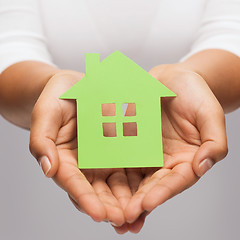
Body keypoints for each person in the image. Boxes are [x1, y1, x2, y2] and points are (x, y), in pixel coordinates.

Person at [0, 0, 240, 234]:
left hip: (205, 211)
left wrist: (193, 77)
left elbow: (231, 33)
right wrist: (49, 88)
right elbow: (9, 46)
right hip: (35, 211)